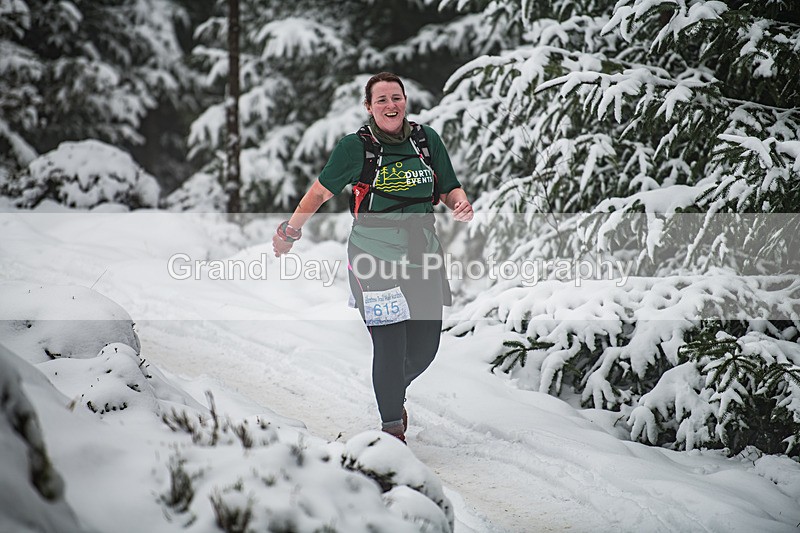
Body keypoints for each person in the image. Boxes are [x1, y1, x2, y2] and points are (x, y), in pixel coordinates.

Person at [272, 72, 473, 443]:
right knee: (390, 344)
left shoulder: (427, 141)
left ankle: (393, 390)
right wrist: (290, 230)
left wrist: (459, 202)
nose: (390, 105)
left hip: (422, 255)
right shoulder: (356, 148)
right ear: (369, 107)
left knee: (425, 348)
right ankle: (391, 429)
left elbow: (448, 186)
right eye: (381, 100)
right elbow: (318, 193)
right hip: (372, 259)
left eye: (396, 97)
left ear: (405, 101)